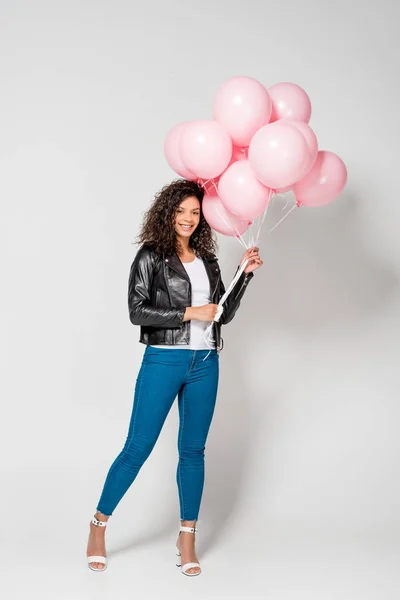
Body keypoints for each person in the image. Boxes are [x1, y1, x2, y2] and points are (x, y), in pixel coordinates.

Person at [86, 179, 263, 576]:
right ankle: (98, 525)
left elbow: (221, 314)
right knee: (138, 448)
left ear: (203, 218)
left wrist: (244, 274)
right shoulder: (151, 256)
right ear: (168, 214)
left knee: (193, 452)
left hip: (204, 363)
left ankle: (187, 537)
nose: (188, 218)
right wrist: (188, 313)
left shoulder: (208, 260)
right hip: (164, 361)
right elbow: (137, 311)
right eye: (181, 211)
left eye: (195, 212)